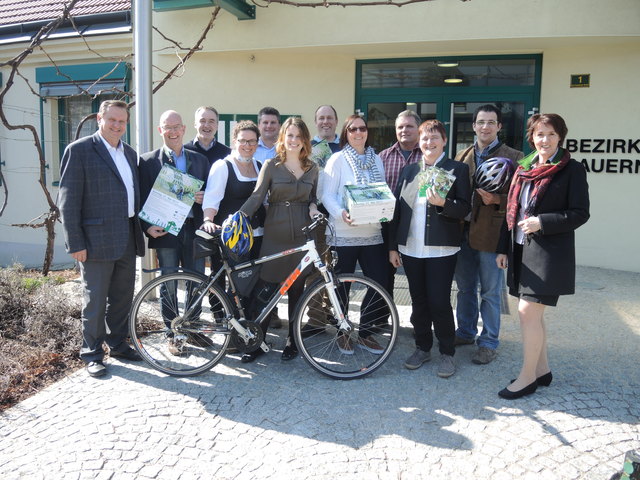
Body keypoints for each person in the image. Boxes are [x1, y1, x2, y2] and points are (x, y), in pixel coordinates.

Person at [496, 113, 589, 399]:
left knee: (527, 313)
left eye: (550, 134)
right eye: (539, 134)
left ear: (560, 136)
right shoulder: (524, 168)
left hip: (549, 254)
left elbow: (580, 213)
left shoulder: (571, 169)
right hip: (521, 249)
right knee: (534, 316)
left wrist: (542, 222)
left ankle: (526, 378)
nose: (544, 140)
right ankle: (542, 370)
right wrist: (502, 247)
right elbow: (511, 210)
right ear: (531, 137)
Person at [58, 100, 145, 377]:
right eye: (112, 120)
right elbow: (68, 201)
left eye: (122, 121)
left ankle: (117, 343)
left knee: (121, 297)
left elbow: (132, 195)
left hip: (127, 236)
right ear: (100, 118)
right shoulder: (80, 150)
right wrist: (76, 243)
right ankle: (92, 353)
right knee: (94, 300)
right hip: (94, 241)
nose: (117, 126)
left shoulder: (130, 153)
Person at [388, 120, 471, 378]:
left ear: (444, 140)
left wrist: (444, 203)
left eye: (434, 138)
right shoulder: (410, 170)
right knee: (418, 301)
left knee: (439, 302)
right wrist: (393, 247)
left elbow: (466, 209)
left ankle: (447, 352)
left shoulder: (457, 168)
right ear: (419, 142)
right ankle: (422, 347)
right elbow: (397, 211)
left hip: (441, 250)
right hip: (411, 248)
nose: (429, 143)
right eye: (424, 138)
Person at [239, 117, 320, 363]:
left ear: (305, 139)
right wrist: (239, 218)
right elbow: (257, 196)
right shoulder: (271, 165)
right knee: (267, 288)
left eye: (299, 136)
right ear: (283, 138)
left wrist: (315, 208)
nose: (294, 140)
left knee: (297, 290)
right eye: (290, 135)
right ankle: (257, 341)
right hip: (275, 232)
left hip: (303, 234)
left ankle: (292, 341)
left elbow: (313, 198)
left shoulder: (312, 167)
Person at [453, 104, 524, 365]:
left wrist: (498, 199)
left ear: (499, 127)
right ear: (473, 126)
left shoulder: (516, 156)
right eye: (480, 122)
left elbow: (522, 199)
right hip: (462, 232)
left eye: (491, 122)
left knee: (491, 291)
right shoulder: (462, 155)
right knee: (465, 288)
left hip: (492, 235)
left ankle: (489, 341)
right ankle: (465, 331)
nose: (485, 127)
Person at [138, 111, 211, 353]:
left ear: (184, 129)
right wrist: (147, 226)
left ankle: (192, 329)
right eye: (167, 127)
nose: (173, 131)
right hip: (165, 231)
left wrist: (204, 197)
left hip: (193, 229)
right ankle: (173, 333)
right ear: (160, 131)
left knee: (197, 281)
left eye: (176, 127)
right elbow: (140, 198)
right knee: (168, 282)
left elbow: (214, 194)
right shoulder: (147, 161)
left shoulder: (200, 160)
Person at [320, 114, 390, 356]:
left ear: (367, 131)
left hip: (372, 232)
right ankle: (342, 333)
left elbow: (381, 192)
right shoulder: (337, 160)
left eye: (362, 128)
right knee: (342, 286)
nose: (358, 133)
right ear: (346, 133)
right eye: (352, 129)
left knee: (378, 281)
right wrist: (341, 213)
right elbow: (326, 195)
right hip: (343, 232)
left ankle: (366, 332)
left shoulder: (377, 160)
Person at [201, 120, 266, 273]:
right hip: (232, 236)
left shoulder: (259, 165)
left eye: (252, 141)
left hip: (258, 233)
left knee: (252, 281)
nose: (247, 145)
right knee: (229, 280)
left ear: (257, 143)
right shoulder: (223, 166)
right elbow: (212, 197)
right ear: (234, 141)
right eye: (243, 140)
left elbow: (265, 199)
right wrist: (208, 220)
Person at [379, 110, 423, 298]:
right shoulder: (382, 157)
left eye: (409, 126)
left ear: (419, 129)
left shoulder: (427, 155)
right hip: (387, 225)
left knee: (418, 279)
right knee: (383, 275)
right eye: (400, 127)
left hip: (417, 225)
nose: (404, 130)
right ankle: (381, 319)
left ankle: (420, 324)